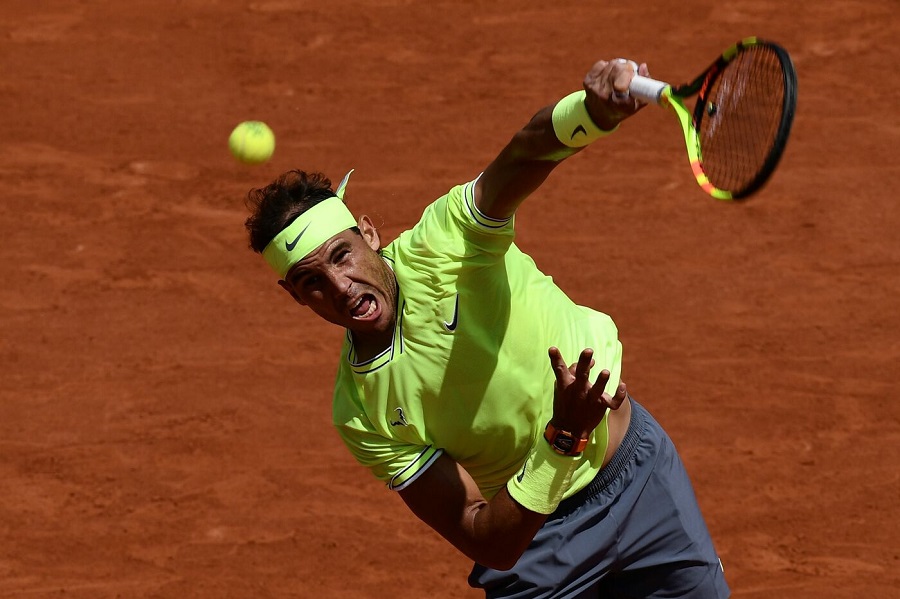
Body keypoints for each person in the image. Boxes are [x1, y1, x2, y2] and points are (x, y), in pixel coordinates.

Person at [243, 57, 730, 598]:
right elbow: (486, 538)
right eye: (311, 282)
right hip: (538, 549)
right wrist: (563, 436)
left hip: (641, 480)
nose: (339, 286)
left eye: (342, 255)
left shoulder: (446, 243)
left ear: (370, 234)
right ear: (293, 295)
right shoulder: (361, 411)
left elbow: (525, 153)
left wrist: (591, 113)